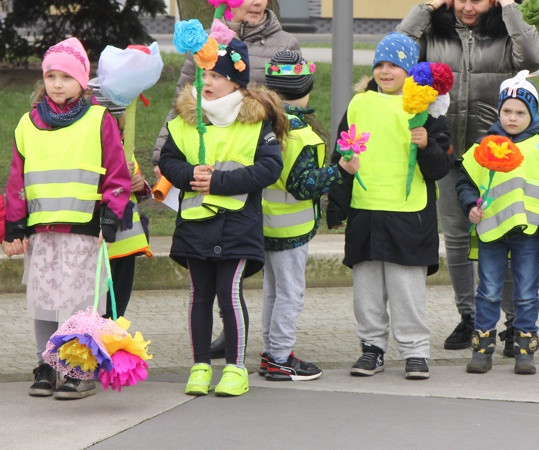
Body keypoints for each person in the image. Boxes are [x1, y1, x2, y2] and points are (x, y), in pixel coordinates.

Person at [152, 0, 300, 358]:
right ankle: (225, 336)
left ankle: (270, 343)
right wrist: (162, 154)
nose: (256, 1)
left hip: (259, 158)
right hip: (208, 164)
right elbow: (183, 101)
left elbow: (296, 99)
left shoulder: (283, 43)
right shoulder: (204, 43)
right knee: (217, 259)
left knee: (254, 255)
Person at [397, 0, 539, 354]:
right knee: (459, 239)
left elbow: (534, 58)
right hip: (447, 150)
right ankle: (471, 318)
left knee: (506, 234)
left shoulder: (505, 30)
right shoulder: (436, 29)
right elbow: (397, 51)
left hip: (496, 151)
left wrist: (511, 9)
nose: (466, 7)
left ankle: (515, 325)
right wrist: (427, 9)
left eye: (476, 0)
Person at [3, 37, 130, 399]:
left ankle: (77, 368)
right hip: (43, 230)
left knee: (80, 304)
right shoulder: (28, 124)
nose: (57, 83)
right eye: (51, 76)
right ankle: (47, 364)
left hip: (85, 232)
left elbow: (116, 173)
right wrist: (15, 224)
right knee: (43, 301)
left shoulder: (99, 119)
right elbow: (17, 180)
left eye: (66, 76)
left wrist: (111, 214)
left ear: (83, 82)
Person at [158, 37, 286, 397]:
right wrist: (190, 175)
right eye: (203, 75)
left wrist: (218, 181)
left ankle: (235, 366)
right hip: (195, 223)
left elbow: (269, 168)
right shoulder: (185, 121)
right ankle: (200, 364)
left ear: (236, 82)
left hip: (237, 225)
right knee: (199, 294)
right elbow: (168, 161)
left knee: (229, 293)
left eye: (216, 74)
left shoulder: (255, 122)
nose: (207, 82)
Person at [326, 32, 452, 380]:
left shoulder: (427, 109)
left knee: (406, 289)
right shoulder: (359, 104)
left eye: (394, 65)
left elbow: (440, 168)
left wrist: (428, 145)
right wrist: (336, 203)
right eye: (379, 64)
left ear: (410, 71)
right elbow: (342, 154)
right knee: (366, 289)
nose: (385, 71)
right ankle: (372, 348)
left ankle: (415, 351)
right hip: (365, 210)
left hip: (408, 213)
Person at [257, 50, 360, 381]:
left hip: (264, 226)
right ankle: (280, 357)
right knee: (290, 295)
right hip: (291, 231)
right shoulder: (300, 135)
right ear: (307, 87)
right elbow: (303, 185)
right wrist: (340, 171)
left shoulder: (261, 125)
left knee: (273, 293)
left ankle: (272, 351)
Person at [457, 72, 539, 375]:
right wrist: (470, 207)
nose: (513, 118)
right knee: (488, 290)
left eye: (521, 112)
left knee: (527, 292)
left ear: (532, 114)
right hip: (491, 229)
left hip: (528, 232)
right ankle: (482, 349)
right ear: (499, 111)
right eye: (507, 111)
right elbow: (466, 183)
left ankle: (524, 348)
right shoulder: (484, 145)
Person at [93, 96, 152, 318]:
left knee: (117, 306)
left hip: (125, 238)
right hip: (99, 237)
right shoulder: (89, 141)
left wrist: (140, 184)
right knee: (97, 306)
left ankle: (112, 341)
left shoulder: (125, 144)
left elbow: (137, 181)